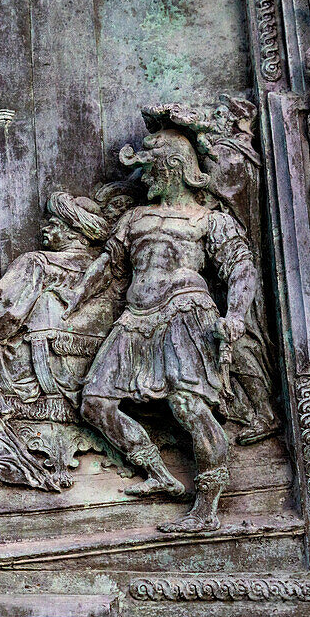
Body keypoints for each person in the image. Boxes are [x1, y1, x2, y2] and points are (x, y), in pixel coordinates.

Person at [65, 124, 258, 534]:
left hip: (184, 315)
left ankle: (206, 509)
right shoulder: (135, 217)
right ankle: (158, 472)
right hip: (135, 320)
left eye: (150, 169)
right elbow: (108, 264)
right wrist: (76, 295)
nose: (144, 178)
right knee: (95, 402)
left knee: (189, 407)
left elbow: (241, 269)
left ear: (173, 168)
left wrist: (236, 315)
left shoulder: (208, 220)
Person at [0, 191, 129, 490]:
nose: (46, 229)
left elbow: (5, 313)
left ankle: (7, 465)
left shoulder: (37, 263)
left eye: (53, 222)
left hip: (32, 370)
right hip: (96, 374)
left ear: (73, 229)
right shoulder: (112, 273)